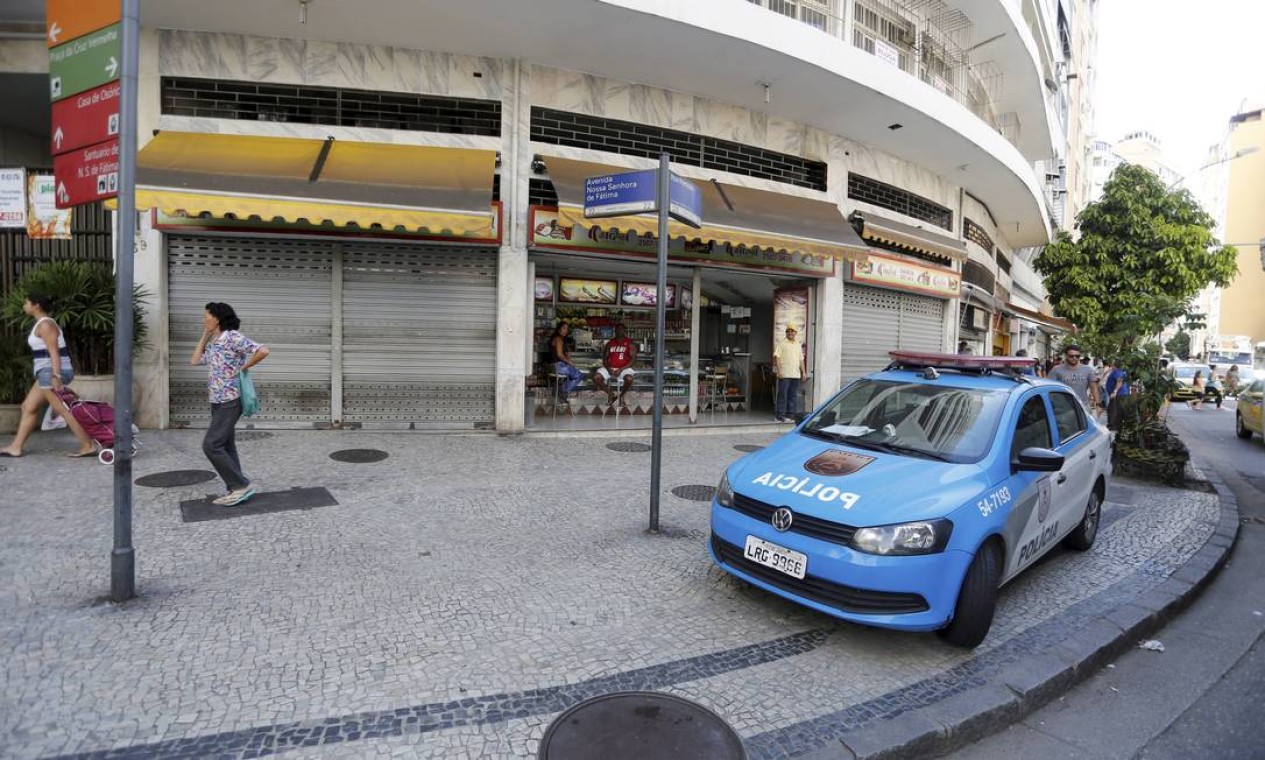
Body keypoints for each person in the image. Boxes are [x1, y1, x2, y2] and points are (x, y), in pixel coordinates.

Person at [0, 294, 98, 458]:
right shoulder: (41, 323)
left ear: (36, 305)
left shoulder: (46, 325)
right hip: (46, 372)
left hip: (50, 372)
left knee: (63, 409)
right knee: (28, 407)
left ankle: (88, 445)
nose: (24, 306)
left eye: (26, 303)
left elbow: (54, 352)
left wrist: (56, 375)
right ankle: (16, 447)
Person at [191, 302, 270, 506]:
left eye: (206, 316)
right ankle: (235, 488)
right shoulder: (215, 341)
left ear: (217, 318)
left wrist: (243, 367)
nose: (204, 319)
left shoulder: (233, 337)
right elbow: (195, 360)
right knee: (225, 444)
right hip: (217, 399)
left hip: (231, 399)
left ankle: (240, 485)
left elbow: (262, 350)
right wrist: (205, 335)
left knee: (211, 445)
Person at [593, 323, 636, 409]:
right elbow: (604, 358)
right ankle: (611, 394)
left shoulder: (630, 343)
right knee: (596, 377)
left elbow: (633, 360)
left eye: (621, 329)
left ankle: (621, 396)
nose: (619, 331)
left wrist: (621, 369)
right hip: (610, 367)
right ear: (615, 331)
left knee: (629, 379)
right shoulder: (610, 343)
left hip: (624, 368)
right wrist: (608, 368)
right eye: (617, 329)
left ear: (624, 331)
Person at [1048, 344, 1101, 411]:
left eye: (1077, 356)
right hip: (1062, 408)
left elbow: (1094, 388)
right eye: (1071, 356)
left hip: (1082, 407)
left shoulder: (1088, 370)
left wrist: (1098, 405)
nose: (1074, 358)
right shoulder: (1056, 369)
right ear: (1066, 356)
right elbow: (1049, 387)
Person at [773, 325, 807, 423]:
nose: (790, 333)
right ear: (786, 332)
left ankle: (790, 416)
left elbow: (801, 360)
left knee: (792, 396)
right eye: (788, 331)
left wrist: (803, 372)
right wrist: (779, 371)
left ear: (796, 333)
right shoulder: (782, 343)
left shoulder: (798, 344)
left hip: (795, 375)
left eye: (792, 331)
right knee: (782, 395)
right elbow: (777, 358)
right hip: (784, 374)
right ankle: (779, 416)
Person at [549, 322, 585, 404]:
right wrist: (570, 362)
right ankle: (562, 390)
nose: (566, 330)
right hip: (559, 366)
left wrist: (567, 356)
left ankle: (560, 391)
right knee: (579, 375)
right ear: (559, 329)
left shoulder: (556, 338)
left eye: (567, 329)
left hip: (554, 366)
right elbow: (559, 355)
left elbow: (561, 354)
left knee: (573, 374)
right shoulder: (558, 339)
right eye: (564, 328)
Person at [1104, 359, 1133, 431]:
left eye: (1112, 364)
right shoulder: (1122, 372)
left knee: (1113, 410)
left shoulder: (1117, 372)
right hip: (1122, 394)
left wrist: (1115, 392)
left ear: (1114, 365)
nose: (1111, 365)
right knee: (1116, 410)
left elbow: (1119, 381)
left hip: (1119, 395)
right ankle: (1116, 425)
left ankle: (1113, 426)